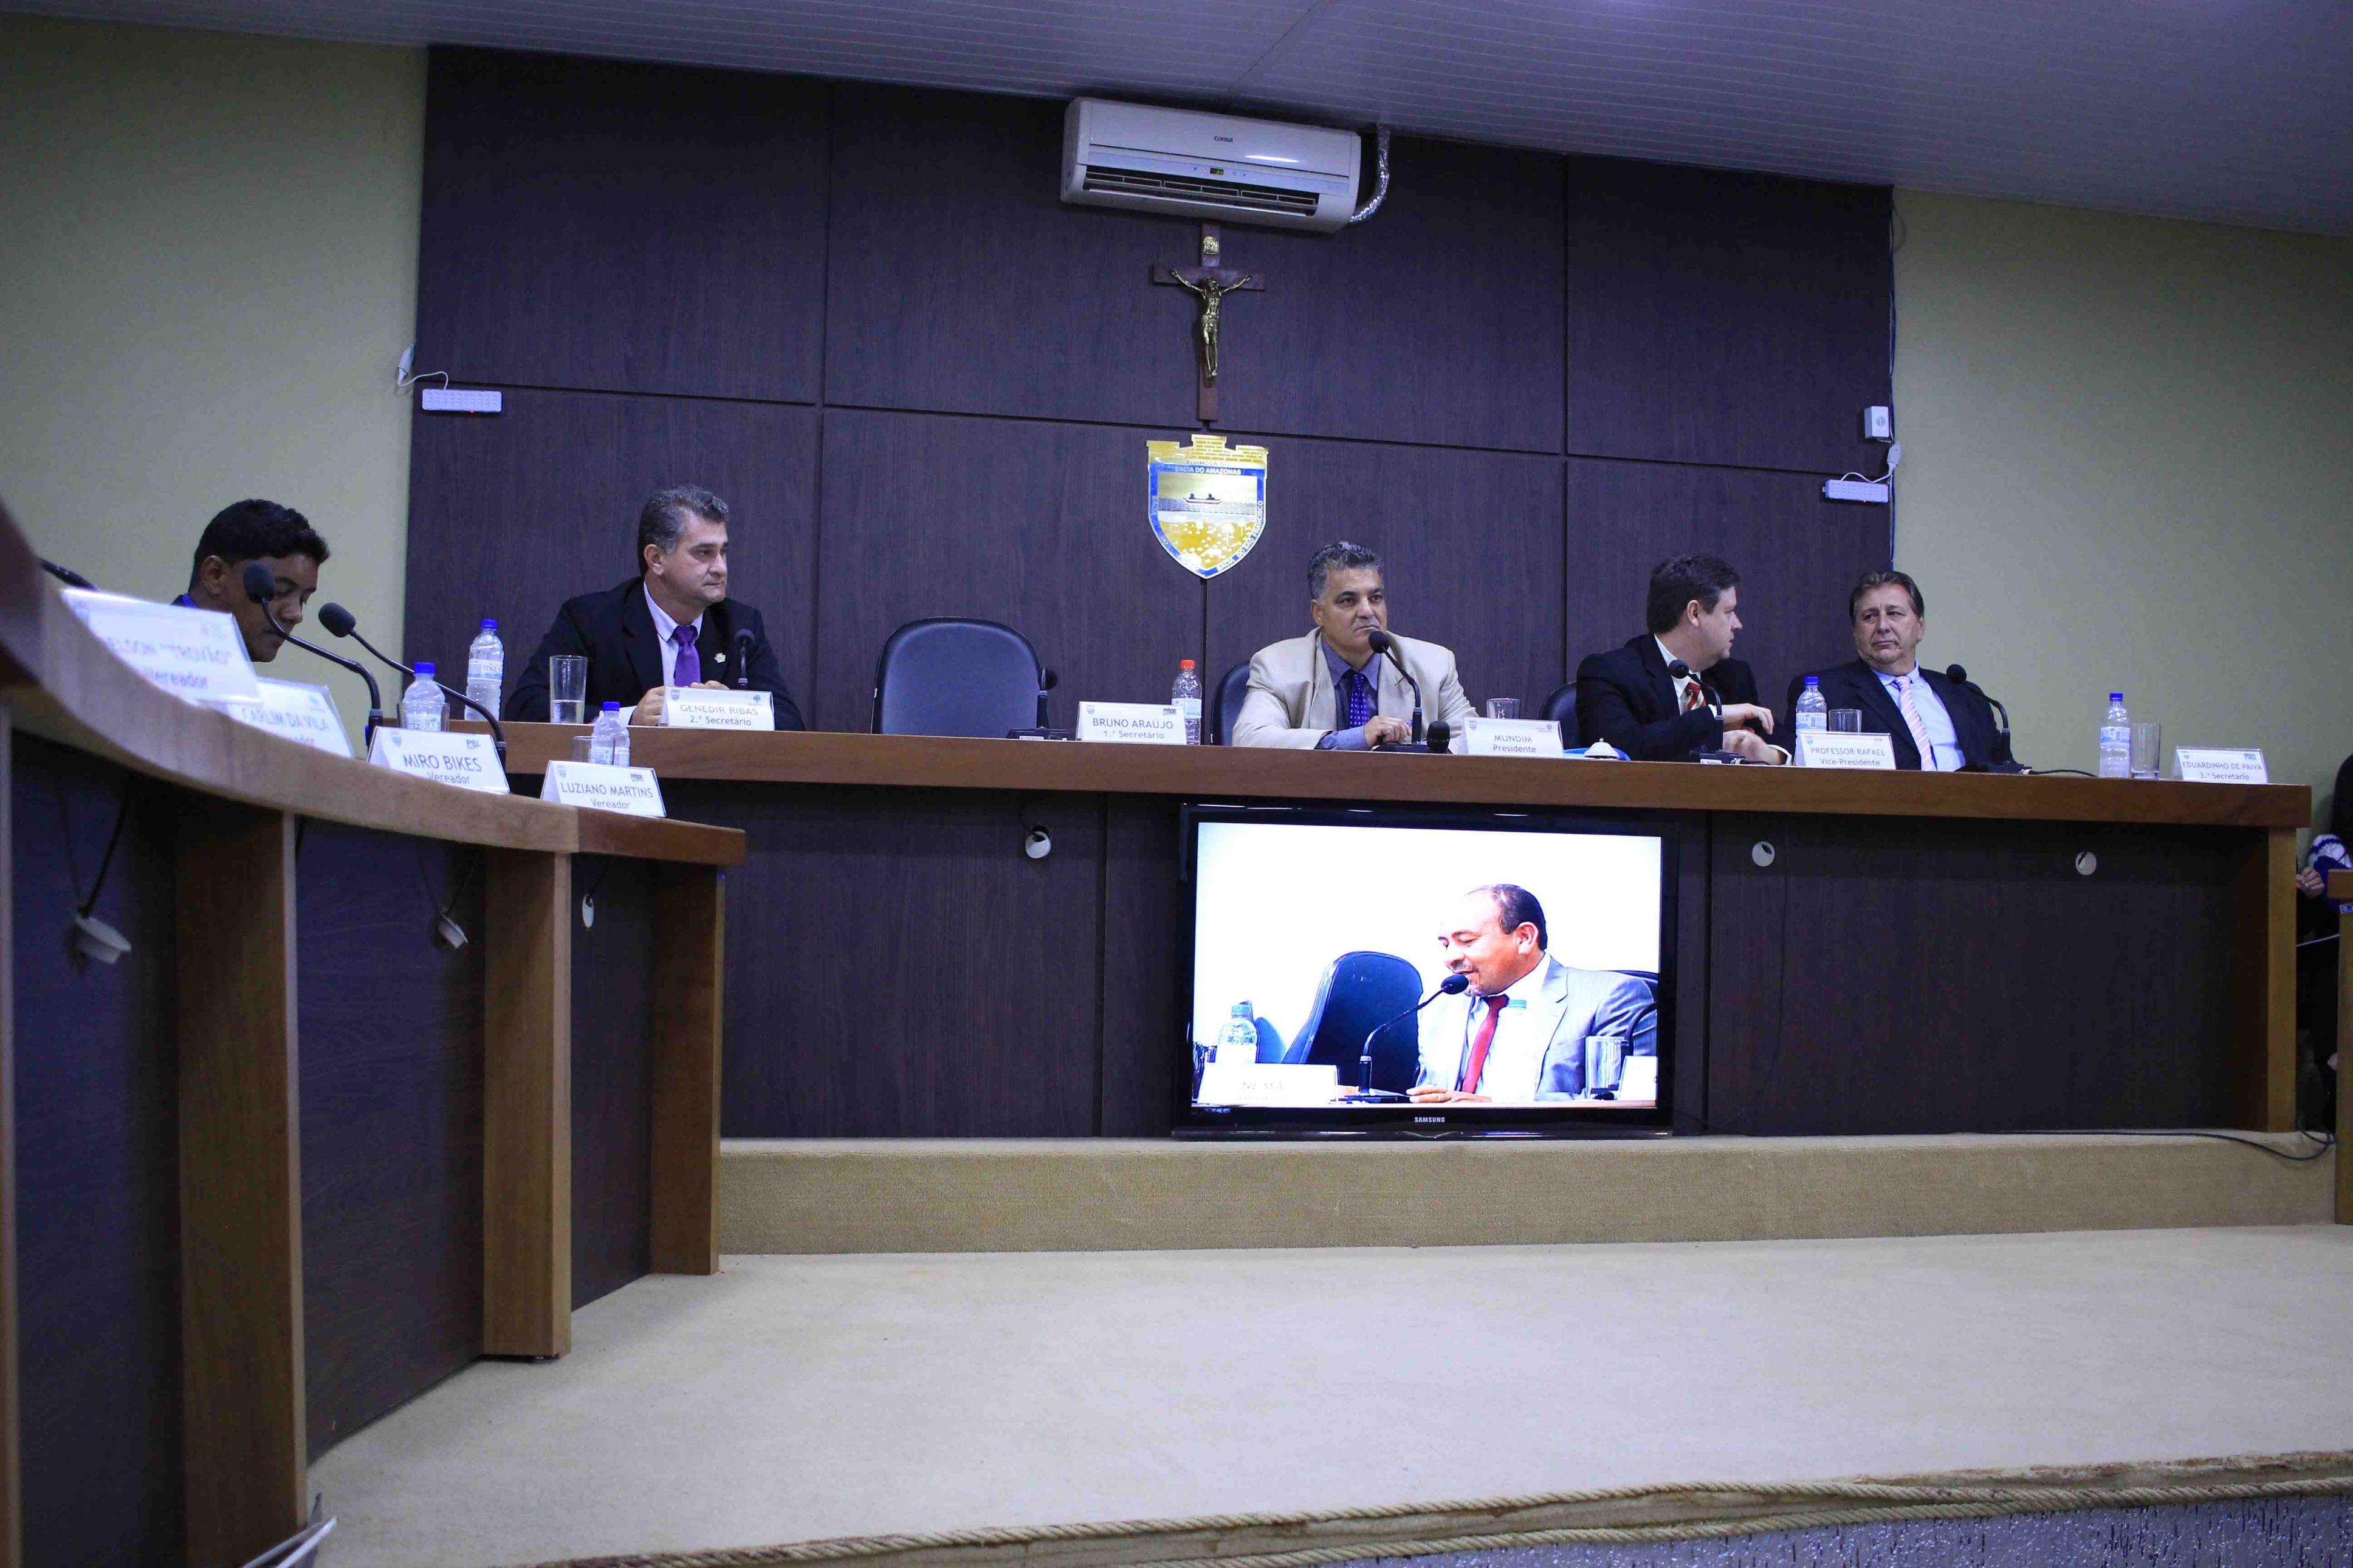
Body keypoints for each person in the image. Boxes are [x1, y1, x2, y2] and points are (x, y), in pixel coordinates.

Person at [507, 485, 805, 728]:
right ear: (656, 559)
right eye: (704, 553)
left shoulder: (741, 626)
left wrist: (736, 712)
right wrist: (625, 719)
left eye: (723, 552)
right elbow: (527, 707)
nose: (721, 568)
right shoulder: (591, 620)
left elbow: (790, 723)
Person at [1409, 885, 1657, 1103]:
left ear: (1525, 938)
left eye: (1466, 941)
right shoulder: (1439, 1005)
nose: (1450, 958)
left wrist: (1495, 1109)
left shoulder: (1612, 997)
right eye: (1445, 945)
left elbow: (1626, 1102)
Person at [1230, 541, 1472, 749]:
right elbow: (1250, 739)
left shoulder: (1434, 666)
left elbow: (1473, 744)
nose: (1367, 612)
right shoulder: (1277, 667)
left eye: (1375, 598)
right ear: (1318, 612)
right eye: (1348, 600)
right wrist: (1357, 738)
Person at [1785, 569, 2011, 770]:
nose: (1883, 626)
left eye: (1894, 614)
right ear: (1855, 632)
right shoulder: (1824, 693)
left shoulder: (1967, 696)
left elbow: (2005, 774)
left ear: (1920, 627)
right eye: (1870, 617)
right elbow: (1795, 765)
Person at [1576, 554, 1783, 762]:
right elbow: (1618, 751)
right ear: (1694, 613)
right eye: (1728, 612)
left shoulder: (1733, 676)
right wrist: (1712, 717)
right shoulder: (1610, 673)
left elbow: (1783, 738)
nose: (1737, 624)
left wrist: (1771, 755)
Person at [174, 499, 331, 663]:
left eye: (303, 600)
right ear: (215, 575)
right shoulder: (158, 661)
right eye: (279, 591)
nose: (296, 615)